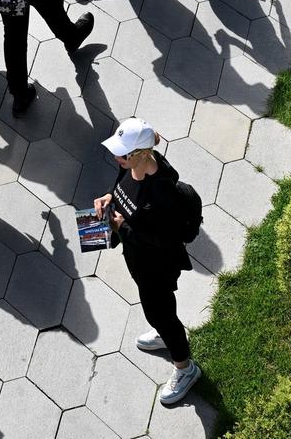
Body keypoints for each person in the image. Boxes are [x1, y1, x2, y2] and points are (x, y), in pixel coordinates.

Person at [92, 118, 202, 407]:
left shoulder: (164, 197)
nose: (117, 157)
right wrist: (109, 197)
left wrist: (121, 228)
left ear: (140, 154)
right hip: (138, 260)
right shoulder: (133, 165)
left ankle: (185, 367)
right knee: (157, 311)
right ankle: (165, 333)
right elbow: (122, 185)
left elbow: (164, 240)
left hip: (157, 266)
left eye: (122, 153)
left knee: (162, 315)